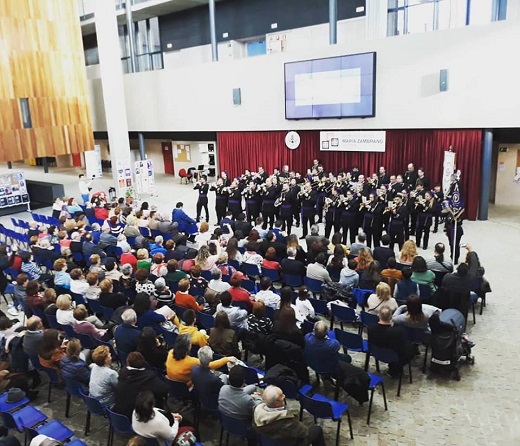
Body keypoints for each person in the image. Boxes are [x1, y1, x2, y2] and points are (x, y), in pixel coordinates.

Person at [253, 385, 326, 446]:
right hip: (291, 443)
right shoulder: (288, 422)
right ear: (276, 403)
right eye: (281, 395)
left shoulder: (257, 413)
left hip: (269, 441)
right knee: (317, 429)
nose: (284, 396)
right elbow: (304, 433)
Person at [113, 352, 169, 418]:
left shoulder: (122, 373)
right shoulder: (148, 378)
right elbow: (164, 390)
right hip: (140, 416)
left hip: (121, 414)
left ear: (128, 362)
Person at [367, 306, 416, 378]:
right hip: (394, 357)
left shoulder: (370, 328)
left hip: (377, 354)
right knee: (410, 349)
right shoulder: (398, 331)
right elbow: (403, 348)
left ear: (378, 315)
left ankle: (393, 368)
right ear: (391, 317)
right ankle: (395, 368)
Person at [165, 334, 232, 386]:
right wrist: (226, 359)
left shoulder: (171, 352)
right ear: (187, 347)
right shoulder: (191, 361)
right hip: (186, 385)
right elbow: (209, 365)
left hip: (171, 383)